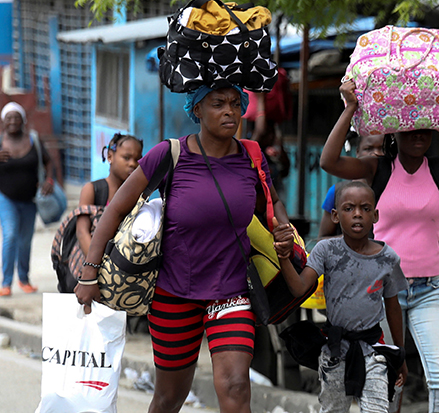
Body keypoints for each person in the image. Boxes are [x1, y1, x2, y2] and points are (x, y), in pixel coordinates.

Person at [76, 84, 297, 413]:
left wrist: (282, 228)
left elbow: (273, 200)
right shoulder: (170, 154)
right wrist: (90, 272)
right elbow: (116, 209)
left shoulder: (251, 154)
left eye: (236, 104)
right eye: (218, 103)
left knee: (236, 385)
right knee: (169, 398)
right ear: (196, 110)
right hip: (174, 294)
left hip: (231, 292)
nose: (229, 111)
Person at [320, 80, 439, 413]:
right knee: (388, 384)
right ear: (394, 131)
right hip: (382, 293)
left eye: (424, 127)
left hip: (431, 289)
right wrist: (352, 108)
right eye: (409, 127)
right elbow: (329, 161)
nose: (418, 134)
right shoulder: (378, 169)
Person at [276, 181, 409, 413]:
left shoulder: (388, 258)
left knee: (378, 409)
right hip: (334, 351)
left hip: (374, 348)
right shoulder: (326, 251)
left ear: (375, 215)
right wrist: (284, 258)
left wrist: (400, 355)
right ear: (335, 216)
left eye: (365, 209)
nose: (357, 214)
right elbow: (299, 288)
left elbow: (393, 307)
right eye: (349, 209)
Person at [0, 101, 59, 295]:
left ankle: (24, 279)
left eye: (17, 117)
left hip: (31, 200)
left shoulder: (33, 140)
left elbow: (49, 162)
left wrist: (49, 181)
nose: (13, 121)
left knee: (25, 240)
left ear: (23, 121)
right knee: (9, 235)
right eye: (9, 118)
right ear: (3, 122)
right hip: (6, 198)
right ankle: (6, 283)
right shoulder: (0, 143)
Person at [77, 133, 143, 256]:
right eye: (126, 158)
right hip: (93, 265)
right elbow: (82, 232)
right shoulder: (92, 190)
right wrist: (95, 266)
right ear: (110, 156)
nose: (132, 164)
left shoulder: (138, 195)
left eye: (137, 159)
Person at [318, 132, 386, 238]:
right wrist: (351, 239)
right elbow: (322, 239)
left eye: (382, 148)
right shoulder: (337, 191)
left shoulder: (397, 190)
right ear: (357, 152)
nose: (375, 154)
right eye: (368, 149)